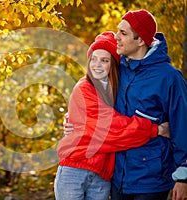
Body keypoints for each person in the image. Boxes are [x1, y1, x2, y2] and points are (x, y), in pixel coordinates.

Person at [54, 31, 169, 200]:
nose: (97, 65)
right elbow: (112, 127)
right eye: (93, 59)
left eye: (104, 60)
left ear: (113, 65)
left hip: (102, 175)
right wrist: (155, 129)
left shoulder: (117, 93)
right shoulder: (84, 88)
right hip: (75, 169)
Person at [109, 9, 187, 200]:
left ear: (141, 40)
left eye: (123, 33)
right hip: (117, 176)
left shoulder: (169, 78)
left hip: (151, 179)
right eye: (117, 31)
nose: (116, 37)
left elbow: (183, 127)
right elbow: (92, 100)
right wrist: (74, 120)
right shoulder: (116, 69)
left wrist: (183, 177)